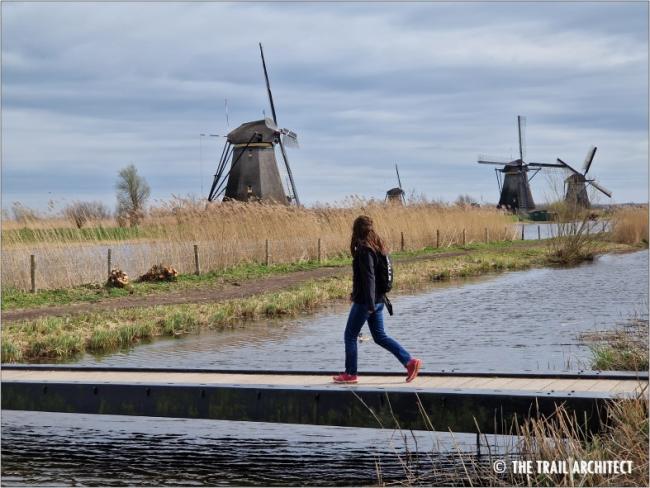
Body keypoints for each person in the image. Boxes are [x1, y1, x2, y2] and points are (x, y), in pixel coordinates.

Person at [333, 215, 422, 384]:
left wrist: (369, 304)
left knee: (350, 335)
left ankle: (350, 374)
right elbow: (368, 278)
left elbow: (369, 277)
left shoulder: (365, 250)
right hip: (379, 300)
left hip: (367, 302)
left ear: (356, 230)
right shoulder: (378, 247)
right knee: (380, 336)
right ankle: (410, 362)